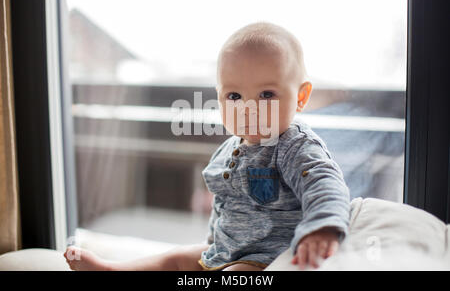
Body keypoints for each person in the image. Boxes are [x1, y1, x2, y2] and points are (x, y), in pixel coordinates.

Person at [64, 22, 350, 271]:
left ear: (301, 96)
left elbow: (324, 184)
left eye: (266, 94)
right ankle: (114, 269)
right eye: (234, 95)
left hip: (268, 259)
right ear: (219, 96)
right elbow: (224, 206)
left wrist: (321, 228)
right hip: (224, 252)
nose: (248, 108)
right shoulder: (228, 151)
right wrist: (212, 243)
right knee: (174, 259)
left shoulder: (293, 145)